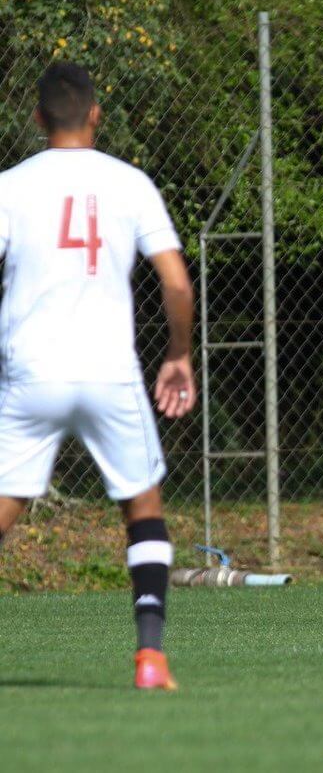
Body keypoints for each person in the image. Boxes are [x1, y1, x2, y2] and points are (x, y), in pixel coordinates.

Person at [0, 62, 196, 687]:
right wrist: (178, 354)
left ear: (37, 119)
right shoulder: (129, 183)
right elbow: (175, 282)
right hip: (109, 373)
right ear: (95, 115)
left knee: (6, 505)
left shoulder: (9, 186)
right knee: (142, 508)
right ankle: (149, 655)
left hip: (31, 371)